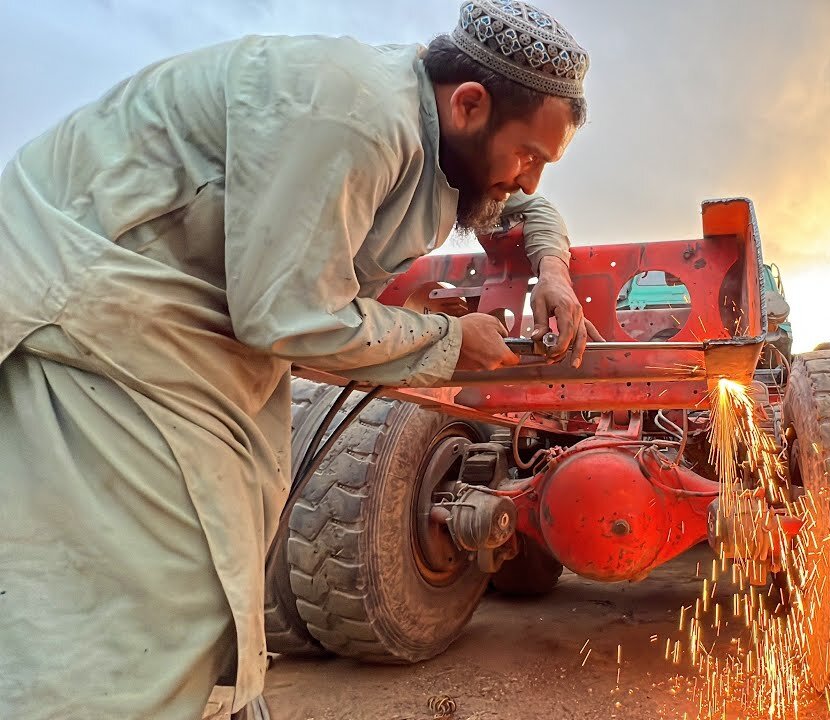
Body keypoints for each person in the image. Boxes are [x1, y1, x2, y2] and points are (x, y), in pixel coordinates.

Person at [0, 1, 598, 717]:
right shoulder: (354, 116)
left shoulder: (441, 144)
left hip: (174, 336)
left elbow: (526, 214)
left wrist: (553, 271)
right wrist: (447, 341)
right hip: (95, 309)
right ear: (470, 103)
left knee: (221, 561)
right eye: (529, 156)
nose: (530, 180)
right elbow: (283, 314)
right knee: (149, 598)